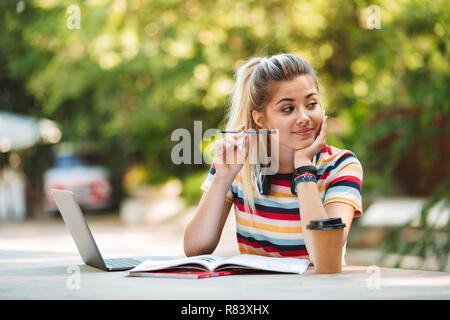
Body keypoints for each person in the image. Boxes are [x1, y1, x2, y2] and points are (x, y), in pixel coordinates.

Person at [183, 53, 363, 266]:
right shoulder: (238, 164)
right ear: (260, 119)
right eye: (288, 109)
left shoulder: (341, 166)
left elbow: (325, 257)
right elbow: (195, 249)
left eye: (311, 104)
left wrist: (304, 168)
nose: (304, 117)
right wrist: (223, 178)